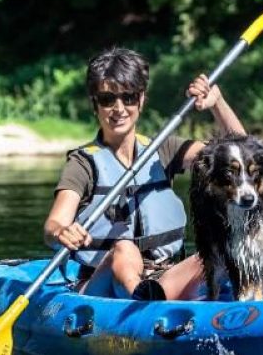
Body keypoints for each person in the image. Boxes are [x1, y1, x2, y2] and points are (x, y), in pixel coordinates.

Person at [43, 47, 244, 301]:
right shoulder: (83, 164)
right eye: (107, 99)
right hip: (100, 286)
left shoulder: (165, 150)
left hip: (162, 279)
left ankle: (158, 298)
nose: (119, 108)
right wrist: (63, 232)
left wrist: (218, 105)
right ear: (95, 104)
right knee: (124, 250)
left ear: (141, 100)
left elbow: (241, 156)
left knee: (222, 249)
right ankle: (142, 300)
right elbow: (54, 224)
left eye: (128, 97)